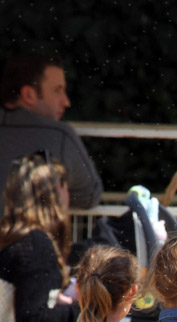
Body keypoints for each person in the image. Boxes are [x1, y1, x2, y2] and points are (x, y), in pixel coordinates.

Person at [0, 152, 79, 322]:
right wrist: (81, 309)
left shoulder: (14, 238)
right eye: (65, 187)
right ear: (54, 191)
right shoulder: (35, 245)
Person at [0, 53, 102, 214]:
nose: (66, 102)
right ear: (29, 95)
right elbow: (89, 196)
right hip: (34, 237)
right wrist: (50, 194)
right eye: (57, 91)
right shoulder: (59, 135)